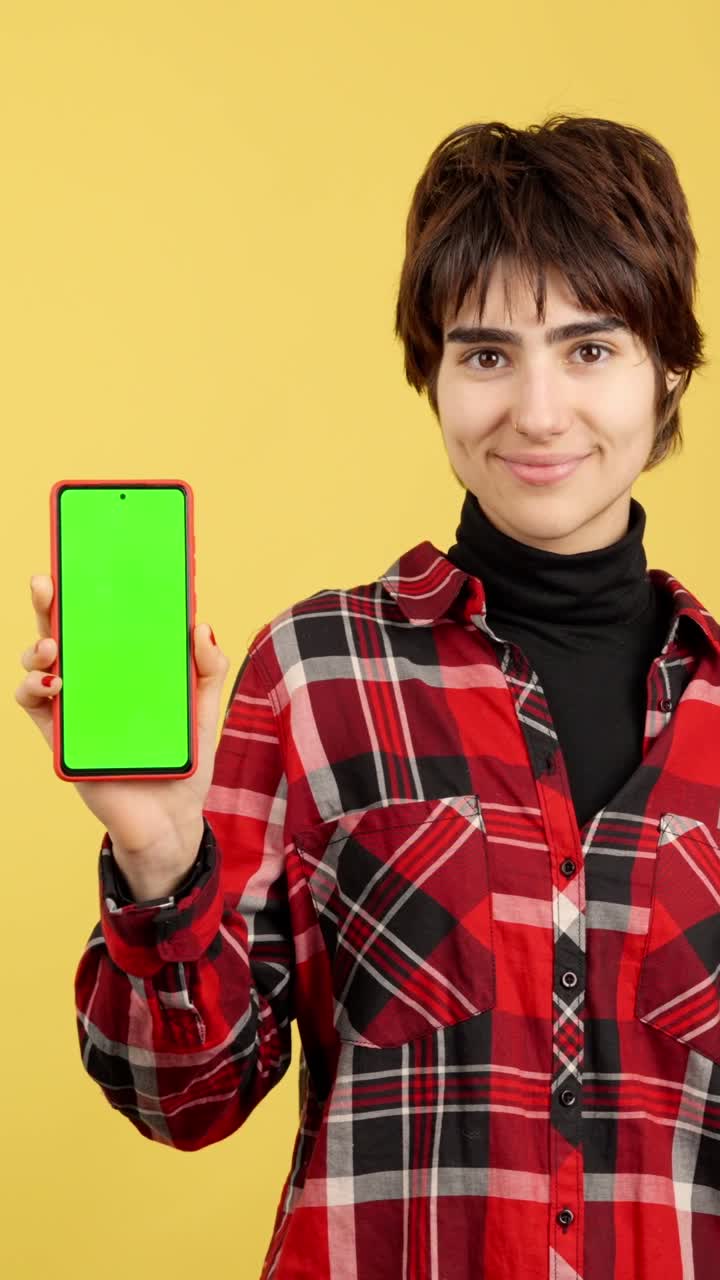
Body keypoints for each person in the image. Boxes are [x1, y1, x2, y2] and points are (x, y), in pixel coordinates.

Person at [17, 114, 718, 1278]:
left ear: (671, 367)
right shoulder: (316, 674)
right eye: (487, 354)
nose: (538, 413)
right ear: (431, 372)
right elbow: (178, 1095)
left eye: (590, 349)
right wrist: (160, 854)